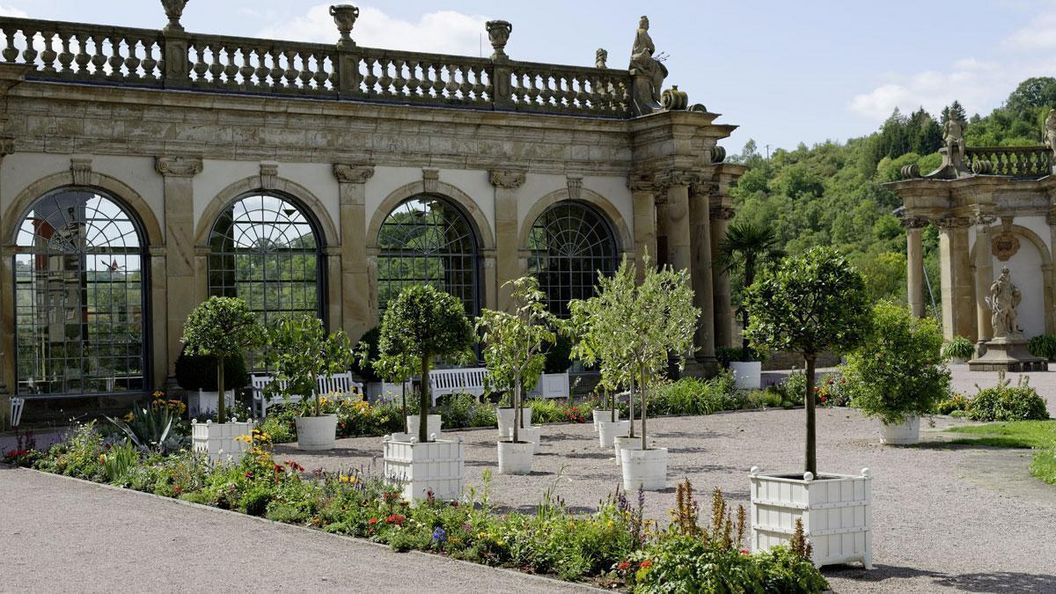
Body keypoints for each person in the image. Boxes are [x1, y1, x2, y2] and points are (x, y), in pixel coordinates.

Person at [629, 16, 667, 106]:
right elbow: (652, 47)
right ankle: (657, 93)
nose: (648, 25)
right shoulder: (643, 32)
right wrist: (650, 51)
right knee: (660, 70)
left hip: (636, 58)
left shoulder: (638, 32)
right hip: (642, 58)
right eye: (647, 24)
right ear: (644, 24)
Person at [988, 267, 1021, 337]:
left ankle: (1014, 331)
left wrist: (1017, 292)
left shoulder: (1010, 284)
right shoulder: (998, 283)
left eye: (1007, 273)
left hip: (1008, 303)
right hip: (1001, 302)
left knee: (1013, 316)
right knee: (1003, 317)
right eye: (1004, 273)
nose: (1005, 275)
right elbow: (993, 291)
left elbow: (1015, 291)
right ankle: (1003, 332)